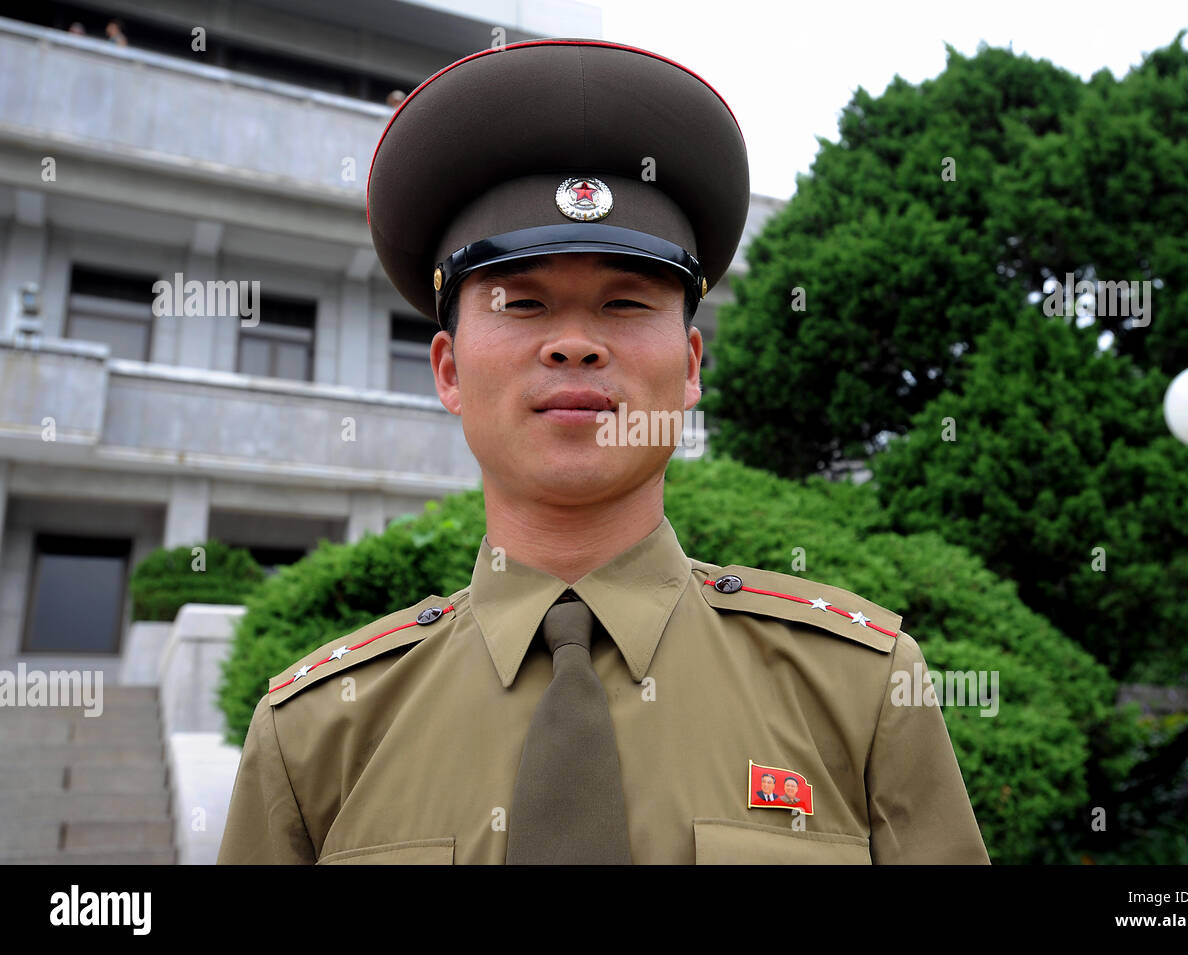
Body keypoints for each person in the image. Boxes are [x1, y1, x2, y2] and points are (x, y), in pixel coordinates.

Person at [217, 38, 990, 865]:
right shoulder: (319, 731)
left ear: (691, 368)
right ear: (447, 370)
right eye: (523, 304)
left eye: (625, 302)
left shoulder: (858, 690)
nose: (576, 344)